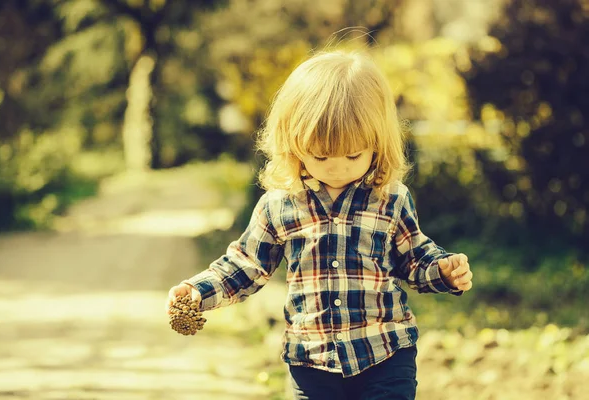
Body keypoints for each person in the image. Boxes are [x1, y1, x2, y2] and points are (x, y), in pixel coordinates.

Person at [167, 49, 473, 400]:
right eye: (321, 155)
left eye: (353, 155)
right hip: (312, 362)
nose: (337, 167)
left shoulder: (391, 199)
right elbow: (247, 264)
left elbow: (414, 258)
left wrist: (443, 272)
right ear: (294, 147)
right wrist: (199, 291)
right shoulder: (280, 205)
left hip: (385, 352)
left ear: (378, 143)